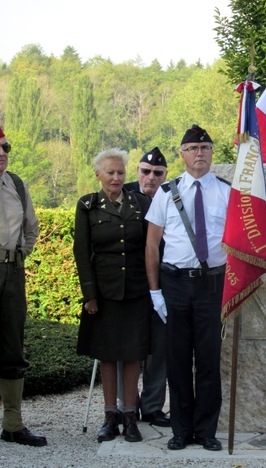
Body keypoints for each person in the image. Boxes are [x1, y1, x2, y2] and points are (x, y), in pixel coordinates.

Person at [145, 125, 230, 451]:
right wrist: (156, 293)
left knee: (209, 360)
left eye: (205, 148)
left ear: (211, 154)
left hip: (211, 285)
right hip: (176, 285)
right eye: (193, 148)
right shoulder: (167, 193)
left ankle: (206, 430)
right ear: (182, 154)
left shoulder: (226, 191)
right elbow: (152, 245)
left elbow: (237, 243)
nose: (200, 154)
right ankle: (180, 430)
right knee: (177, 361)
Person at [74, 148, 151, 443]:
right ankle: (110, 416)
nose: (116, 178)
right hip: (103, 292)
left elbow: (149, 248)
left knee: (132, 355)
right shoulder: (87, 206)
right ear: (98, 175)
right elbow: (82, 253)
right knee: (107, 355)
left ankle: (130, 415)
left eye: (120, 172)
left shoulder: (141, 203)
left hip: (135, 290)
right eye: (110, 173)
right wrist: (89, 295)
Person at [0, 118, 47, 447]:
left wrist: (18, 255)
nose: (1, 153)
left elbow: (31, 227)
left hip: (12, 272)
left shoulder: (16, 184)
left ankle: (13, 424)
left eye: (5, 147)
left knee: (12, 347)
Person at [116, 147, 170, 427]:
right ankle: (127, 405)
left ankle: (152, 407)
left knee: (159, 348)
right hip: (129, 285)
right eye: (145, 171)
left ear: (165, 175)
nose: (151, 177)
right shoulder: (120, 195)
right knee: (127, 347)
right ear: (137, 171)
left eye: (157, 173)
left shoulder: (173, 196)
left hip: (163, 283)